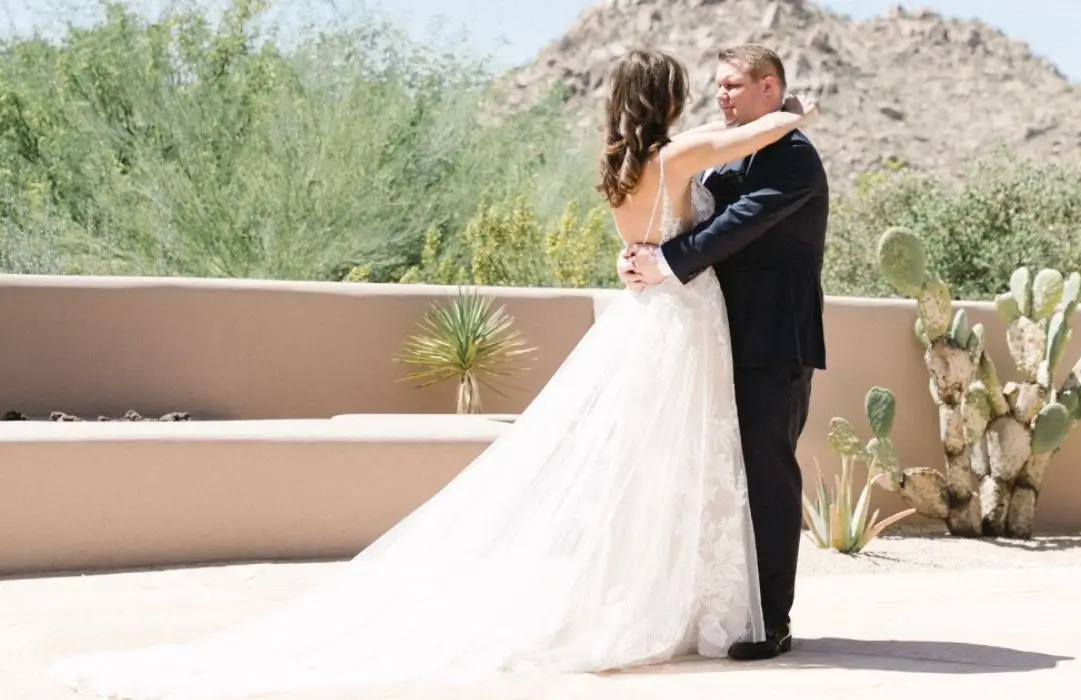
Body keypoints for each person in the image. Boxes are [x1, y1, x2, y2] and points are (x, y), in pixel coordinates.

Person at [48, 49, 818, 700]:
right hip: (681, 329)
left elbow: (708, 211)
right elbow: (752, 152)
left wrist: (648, 257)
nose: (713, 97)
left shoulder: (622, 167)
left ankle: (683, 598)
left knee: (657, 467)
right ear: (669, 102)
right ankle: (691, 602)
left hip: (664, 324)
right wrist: (797, 108)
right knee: (678, 464)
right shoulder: (683, 154)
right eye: (702, 86)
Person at [618, 43, 829, 662]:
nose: (721, 96)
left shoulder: (793, 160)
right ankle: (718, 609)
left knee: (766, 479)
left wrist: (665, 263)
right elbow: (675, 210)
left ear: (770, 87)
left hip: (770, 345)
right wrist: (642, 251)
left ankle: (772, 622)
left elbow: (736, 225)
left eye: (734, 85)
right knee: (713, 481)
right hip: (706, 343)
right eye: (716, 85)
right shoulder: (720, 152)